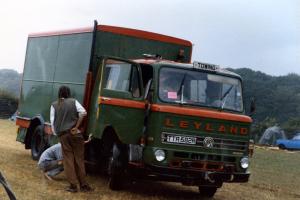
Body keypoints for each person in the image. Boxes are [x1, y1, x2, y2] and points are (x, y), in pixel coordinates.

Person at [50, 86, 92, 193]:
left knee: (68, 161)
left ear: (59, 93)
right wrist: (76, 126)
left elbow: (52, 121)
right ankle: (84, 185)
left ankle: (73, 186)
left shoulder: (54, 105)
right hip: (76, 134)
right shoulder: (74, 101)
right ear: (68, 93)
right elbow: (83, 112)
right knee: (79, 160)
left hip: (63, 135)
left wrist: (57, 134)